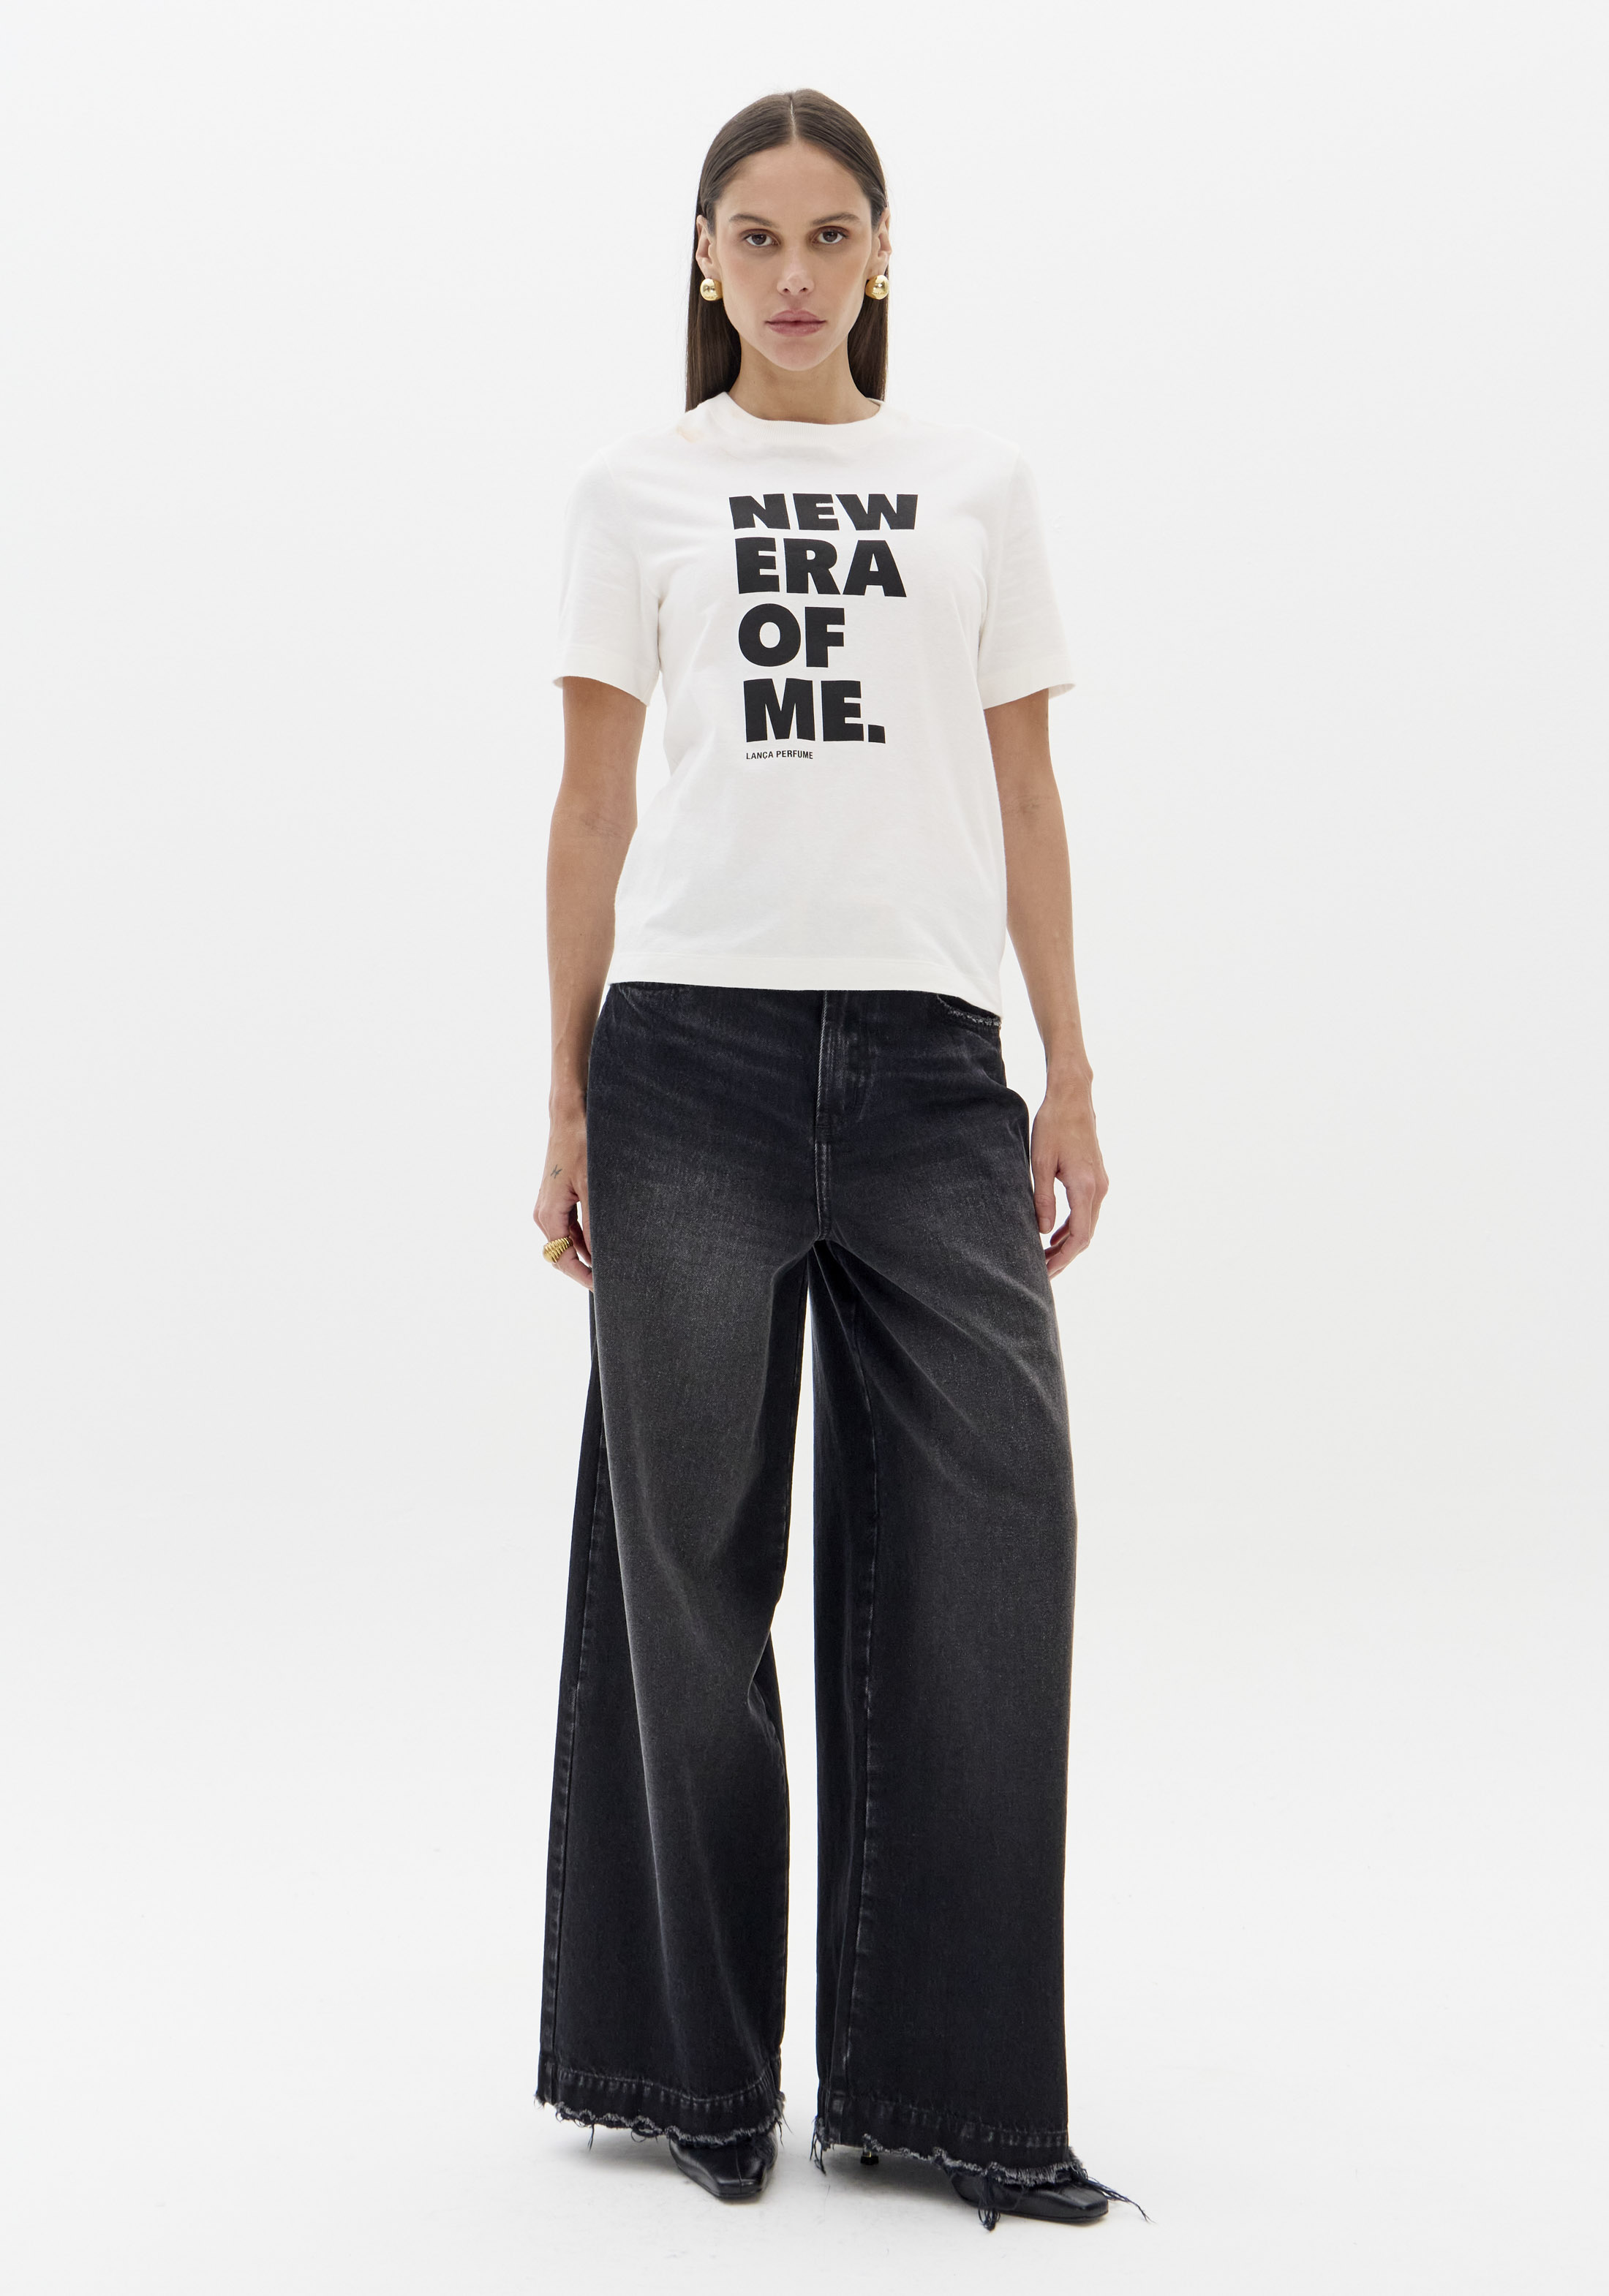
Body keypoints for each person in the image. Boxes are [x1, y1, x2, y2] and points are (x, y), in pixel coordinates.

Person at [532, 88, 1130, 2233]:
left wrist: (1067, 1072)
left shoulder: (977, 485)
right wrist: (565, 1094)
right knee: (686, 1574)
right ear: (704, 259)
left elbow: (1028, 799)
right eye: (757, 236)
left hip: (931, 1074)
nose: (795, 274)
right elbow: (592, 808)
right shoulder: (638, 491)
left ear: (884, 255)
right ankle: (688, 2071)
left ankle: (945, 2093)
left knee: (994, 1546)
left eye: (832, 235)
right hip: (687, 1060)